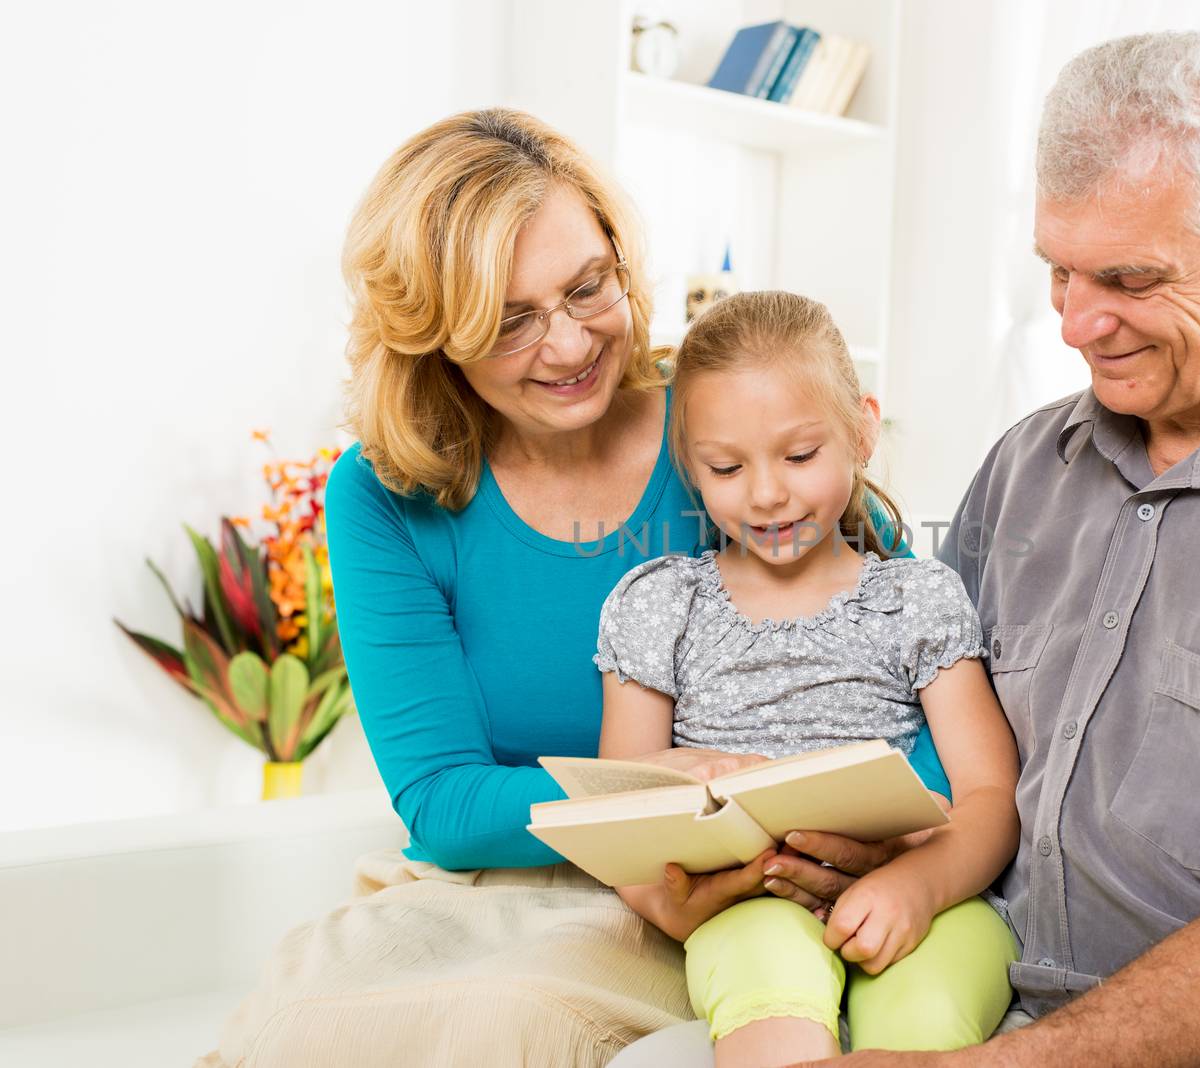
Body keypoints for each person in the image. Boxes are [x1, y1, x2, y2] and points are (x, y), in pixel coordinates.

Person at [620, 29, 1200, 1068]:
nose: (1075, 322)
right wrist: (802, 855)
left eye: (1130, 278)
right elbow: (920, 742)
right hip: (1017, 988)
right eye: (1057, 271)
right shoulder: (1026, 467)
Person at [196, 109, 949, 1068]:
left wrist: (869, 845)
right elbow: (444, 802)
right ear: (437, 336)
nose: (567, 345)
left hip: (741, 888)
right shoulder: (385, 491)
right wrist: (640, 796)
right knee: (287, 1031)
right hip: (494, 886)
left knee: (506, 1024)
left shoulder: (732, 428)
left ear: (619, 262)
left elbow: (929, 689)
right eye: (510, 322)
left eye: (587, 288)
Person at [592, 291, 1022, 1066]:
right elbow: (624, 805)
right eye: (727, 467)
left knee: (927, 1010)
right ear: (691, 465)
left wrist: (921, 885)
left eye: (799, 456)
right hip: (749, 903)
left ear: (861, 429)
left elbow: (990, 795)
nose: (766, 493)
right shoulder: (660, 604)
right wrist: (684, 777)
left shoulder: (914, 598)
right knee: (770, 993)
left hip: (921, 886)